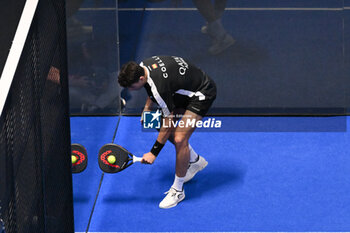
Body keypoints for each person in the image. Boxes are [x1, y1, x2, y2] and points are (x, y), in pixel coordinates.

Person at [118, 55, 216, 208]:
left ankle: (178, 191)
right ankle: (195, 161)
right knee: (154, 120)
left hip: (201, 92)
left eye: (132, 86)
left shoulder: (159, 86)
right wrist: (147, 108)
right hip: (183, 87)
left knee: (179, 138)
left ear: (141, 78)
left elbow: (167, 118)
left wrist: (153, 153)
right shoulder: (143, 66)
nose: (130, 90)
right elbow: (152, 89)